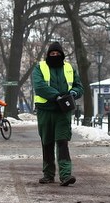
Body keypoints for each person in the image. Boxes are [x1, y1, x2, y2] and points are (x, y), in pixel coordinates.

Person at [31, 41, 84, 186]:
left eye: (57, 53)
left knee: (62, 142)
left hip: (63, 112)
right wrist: (57, 96)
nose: (55, 55)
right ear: (48, 55)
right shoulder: (40, 67)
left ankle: (66, 175)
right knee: (47, 142)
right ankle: (48, 175)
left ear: (62, 55)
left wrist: (74, 92)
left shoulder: (69, 68)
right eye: (52, 53)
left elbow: (79, 86)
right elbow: (39, 86)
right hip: (45, 110)